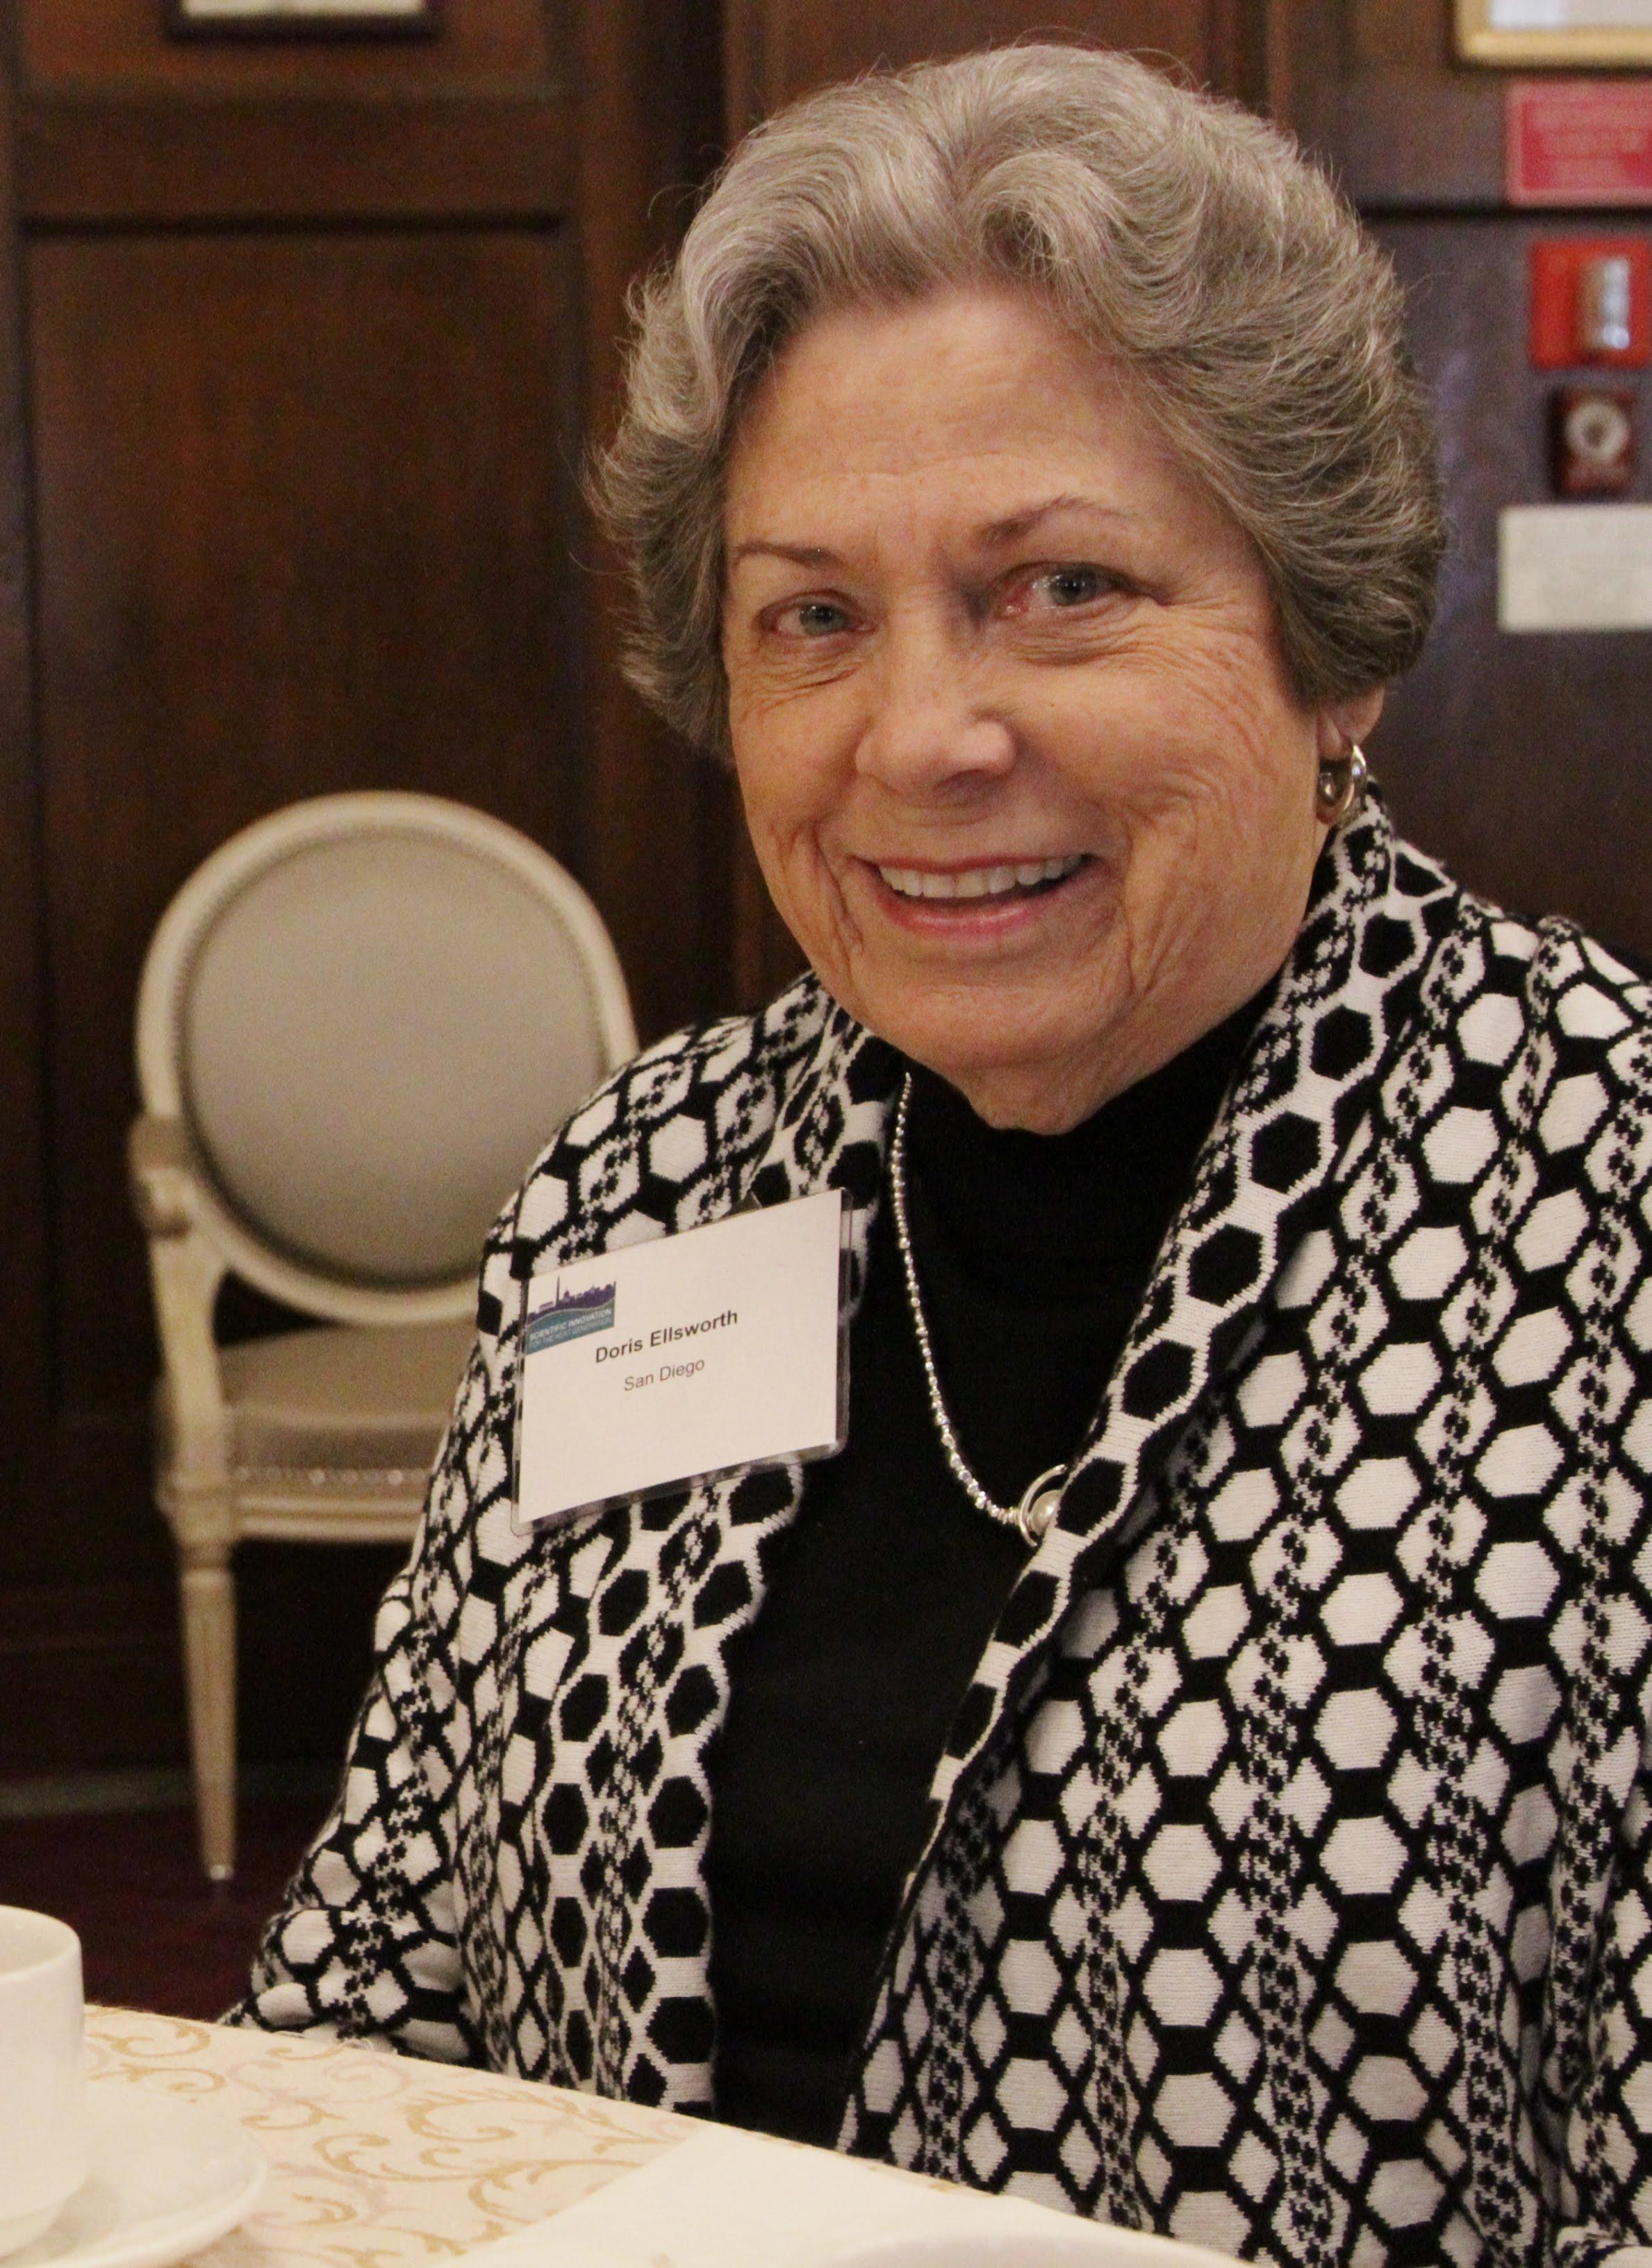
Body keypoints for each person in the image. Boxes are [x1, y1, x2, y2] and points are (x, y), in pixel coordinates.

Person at [240, 46, 1652, 2267]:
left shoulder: (1607, 1203)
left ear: (1329, 645)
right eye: (815, 617)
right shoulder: (644, 1184)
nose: (921, 737)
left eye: (1061, 586)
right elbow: (377, 1995)